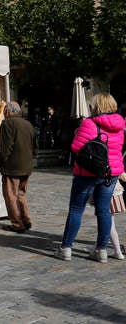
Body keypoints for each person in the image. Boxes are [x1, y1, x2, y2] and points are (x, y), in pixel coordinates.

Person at [56, 93, 125, 262]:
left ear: (96, 106)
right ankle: (101, 250)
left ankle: (66, 248)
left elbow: (76, 147)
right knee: (104, 211)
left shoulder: (89, 122)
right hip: (111, 173)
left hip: (87, 173)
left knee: (76, 209)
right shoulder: (120, 124)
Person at [0, 101, 36, 233]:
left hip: (12, 167)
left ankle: (17, 223)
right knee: (20, 194)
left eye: (4, 111)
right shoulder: (28, 124)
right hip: (26, 166)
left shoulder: (7, 123)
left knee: (11, 196)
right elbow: (35, 146)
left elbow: (5, 148)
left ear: (8, 111)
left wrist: (1, 163)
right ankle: (26, 220)